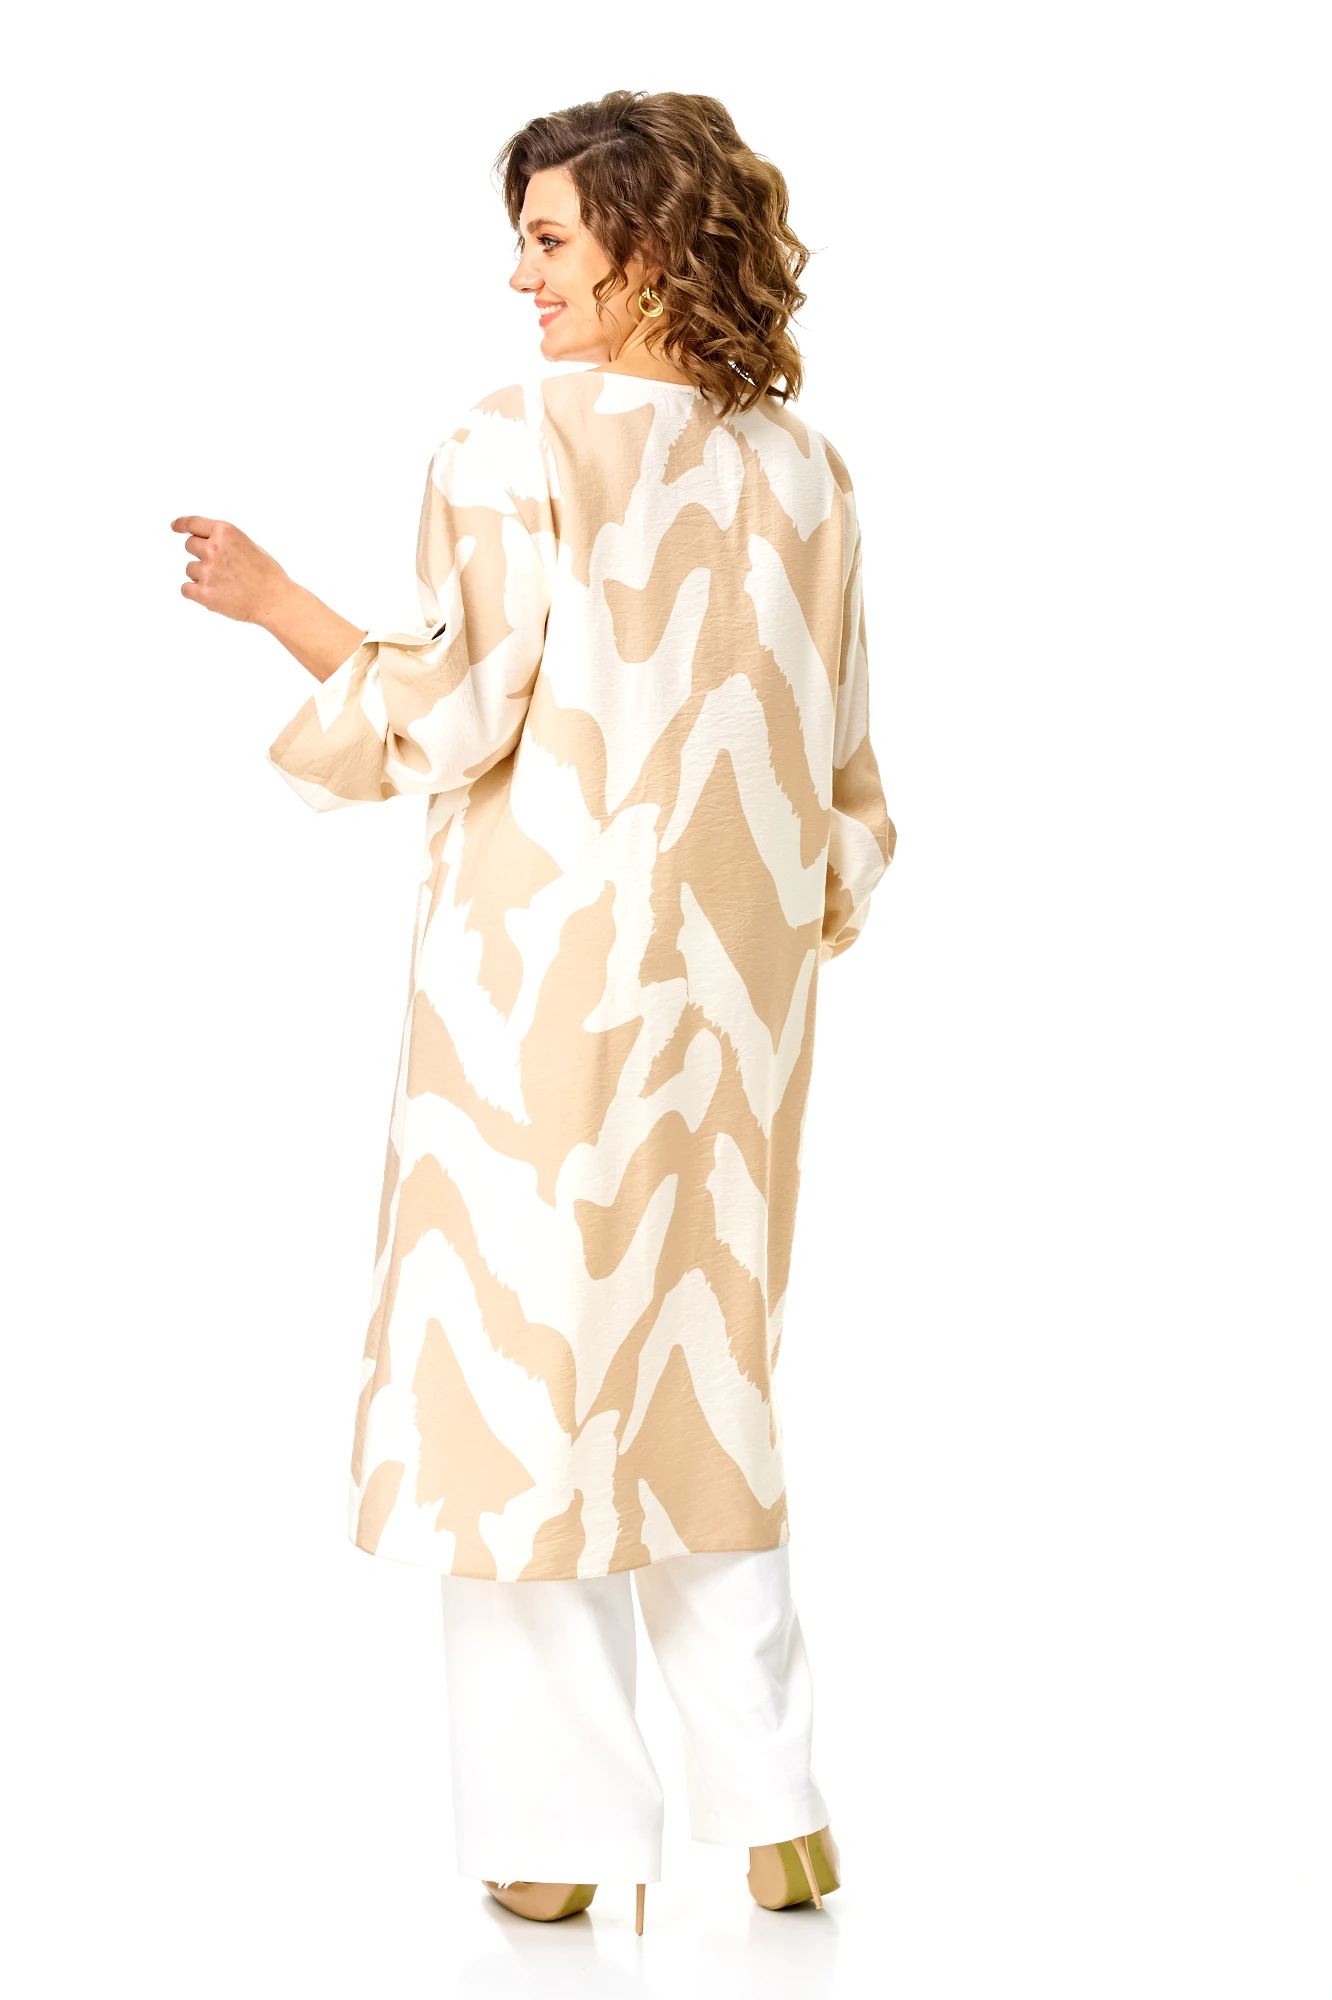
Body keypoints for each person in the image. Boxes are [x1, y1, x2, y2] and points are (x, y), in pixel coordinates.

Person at [172, 88, 895, 1936]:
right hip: (731, 1017)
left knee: (517, 1393)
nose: (523, 279)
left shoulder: (515, 445)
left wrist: (279, 607)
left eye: (553, 240)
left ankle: (560, 1842)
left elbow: (454, 709)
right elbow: (842, 780)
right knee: (700, 1379)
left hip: (535, 1002)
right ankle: (777, 1806)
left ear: (648, 244)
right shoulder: (806, 471)